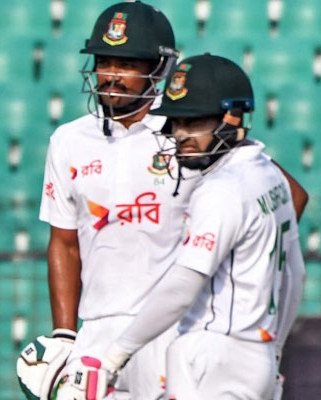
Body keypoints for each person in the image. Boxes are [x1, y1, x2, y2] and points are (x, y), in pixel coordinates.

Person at [16, 2, 307, 399]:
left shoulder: (187, 128)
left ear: (159, 67)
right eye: (104, 61)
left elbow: (288, 195)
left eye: (127, 63)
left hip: (173, 328)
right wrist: (65, 336)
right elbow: (64, 244)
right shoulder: (68, 141)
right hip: (97, 329)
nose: (112, 75)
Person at [95, 54, 305, 400]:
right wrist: (275, 347)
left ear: (232, 117)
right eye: (177, 123)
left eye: (194, 123)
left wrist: (116, 354)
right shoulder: (270, 175)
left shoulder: (222, 188)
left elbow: (182, 287)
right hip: (259, 356)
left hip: (213, 358)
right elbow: (295, 275)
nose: (181, 135)